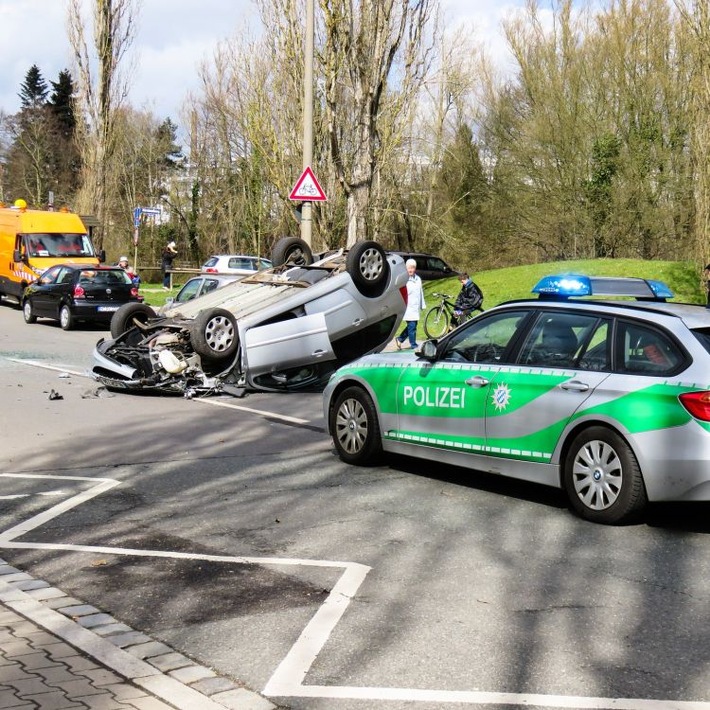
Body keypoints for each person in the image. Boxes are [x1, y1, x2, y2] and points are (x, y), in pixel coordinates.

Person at [395, 259, 426, 349]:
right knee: (412, 326)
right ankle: (413, 344)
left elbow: (420, 293)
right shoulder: (404, 280)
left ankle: (400, 339)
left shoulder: (418, 279)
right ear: (406, 268)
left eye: (413, 268)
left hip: (415, 307)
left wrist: (422, 305)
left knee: (412, 326)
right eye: (409, 268)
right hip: (407, 307)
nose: (411, 270)